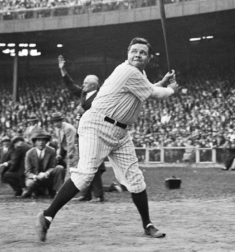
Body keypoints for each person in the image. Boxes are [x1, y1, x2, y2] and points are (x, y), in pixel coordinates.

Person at [35, 37, 179, 242]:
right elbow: (154, 94)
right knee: (84, 175)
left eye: (143, 52)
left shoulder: (140, 74)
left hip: (120, 132)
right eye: (134, 51)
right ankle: (47, 216)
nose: (137, 54)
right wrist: (172, 89)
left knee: (135, 180)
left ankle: (148, 224)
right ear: (127, 53)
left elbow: (146, 89)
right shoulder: (128, 70)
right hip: (97, 125)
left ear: (148, 57)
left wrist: (162, 82)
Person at [58, 55, 105, 202]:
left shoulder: (100, 97)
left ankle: (98, 195)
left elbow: (100, 116)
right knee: (84, 164)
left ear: (93, 85)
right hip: (83, 133)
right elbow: (71, 87)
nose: (83, 85)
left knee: (93, 164)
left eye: (86, 83)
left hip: (94, 134)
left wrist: (83, 112)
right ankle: (86, 194)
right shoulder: (84, 94)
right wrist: (63, 70)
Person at [23, 128, 65, 199]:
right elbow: (27, 172)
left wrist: (46, 173)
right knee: (30, 184)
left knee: (60, 168)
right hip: (35, 178)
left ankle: (55, 192)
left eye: (43, 140)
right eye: (39, 140)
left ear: (46, 142)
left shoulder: (51, 151)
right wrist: (35, 177)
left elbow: (53, 166)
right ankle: (33, 191)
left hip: (47, 177)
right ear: (35, 142)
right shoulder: (29, 153)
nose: (41, 143)